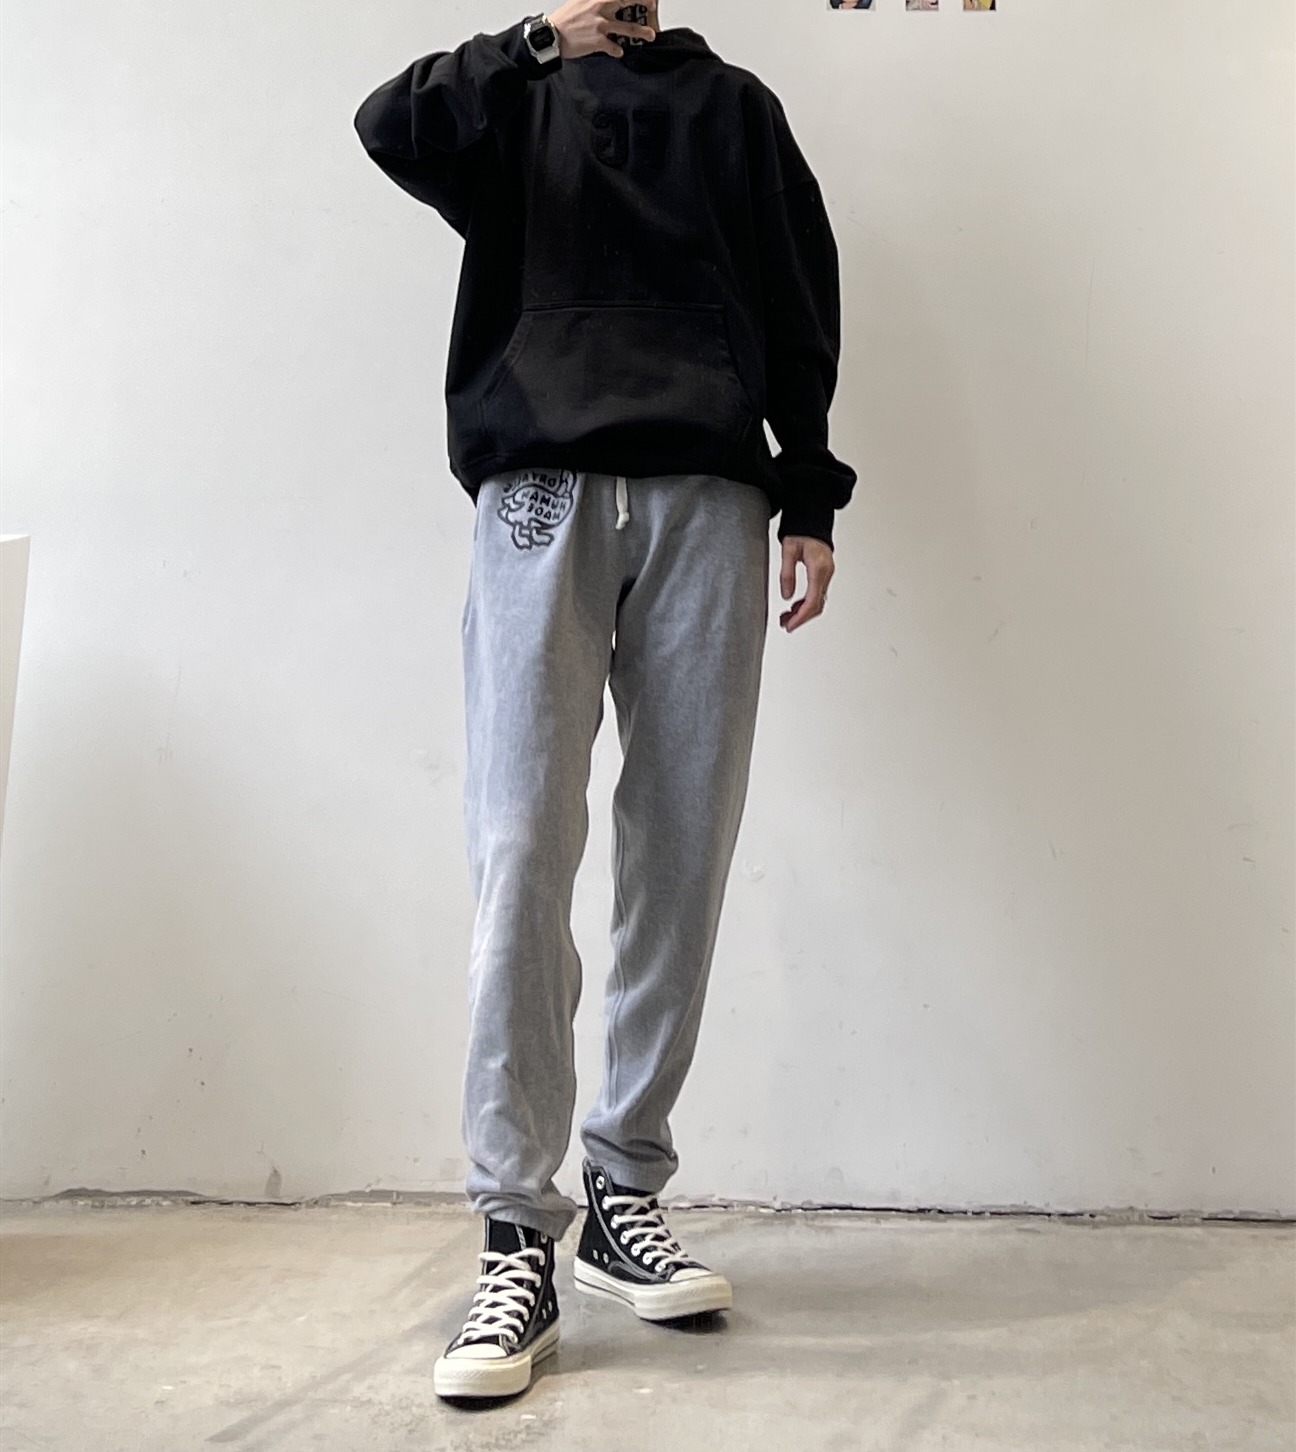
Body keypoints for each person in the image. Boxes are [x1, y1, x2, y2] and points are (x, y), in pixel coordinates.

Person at [354, 0, 855, 1402]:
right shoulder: (511, 95)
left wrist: (810, 493)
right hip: (540, 488)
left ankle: (624, 1188)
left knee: (682, 850)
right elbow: (389, 127)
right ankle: (516, 1230)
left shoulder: (735, 109)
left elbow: (799, 295)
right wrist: (533, 43)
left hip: (710, 495)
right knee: (521, 847)